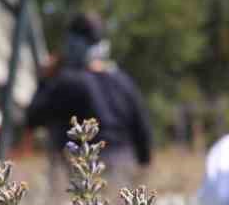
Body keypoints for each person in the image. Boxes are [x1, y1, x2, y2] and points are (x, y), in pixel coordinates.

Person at [21, 11, 153, 194]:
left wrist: (44, 79)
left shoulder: (67, 82)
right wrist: (142, 170)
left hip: (81, 172)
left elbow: (33, 117)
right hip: (124, 168)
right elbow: (143, 132)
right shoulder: (123, 80)